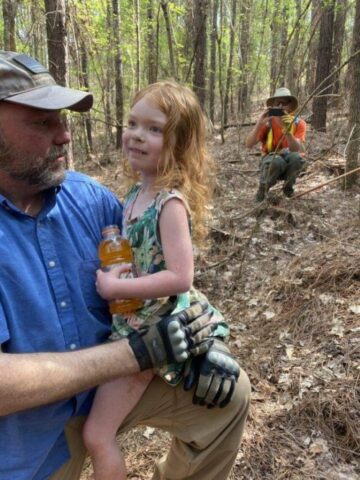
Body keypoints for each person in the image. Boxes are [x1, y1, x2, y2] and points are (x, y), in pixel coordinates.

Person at [0, 50, 251, 480]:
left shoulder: (90, 199)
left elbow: (162, 267)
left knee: (229, 397)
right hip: (26, 438)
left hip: (109, 389)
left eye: (63, 119)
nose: (64, 136)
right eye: (43, 122)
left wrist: (208, 338)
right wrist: (136, 352)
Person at [82, 81, 232, 480]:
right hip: (128, 323)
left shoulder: (170, 203)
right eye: (132, 123)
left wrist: (117, 288)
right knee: (96, 432)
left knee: (98, 436)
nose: (136, 135)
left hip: (148, 336)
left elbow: (181, 277)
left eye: (153, 128)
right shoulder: (135, 194)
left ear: (178, 143)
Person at [245, 87, 307, 202]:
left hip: (289, 161)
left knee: (296, 158)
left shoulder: (299, 123)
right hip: (271, 160)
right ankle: (262, 191)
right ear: (272, 106)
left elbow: (296, 149)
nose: (280, 107)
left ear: (290, 106)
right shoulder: (267, 122)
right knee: (276, 161)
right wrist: (259, 123)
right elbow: (248, 144)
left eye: (284, 103)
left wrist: (287, 131)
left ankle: (288, 190)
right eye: (277, 103)